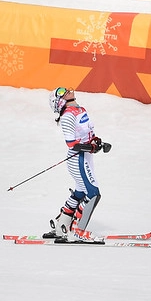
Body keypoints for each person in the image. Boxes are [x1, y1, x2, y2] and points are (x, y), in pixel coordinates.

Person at [45, 87, 110, 242]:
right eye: (60, 92)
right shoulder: (67, 116)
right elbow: (72, 144)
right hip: (78, 158)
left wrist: (96, 142)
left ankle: (61, 226)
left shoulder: (80, 109)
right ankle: (77, 231)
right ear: (59, 102)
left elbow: (87, 134)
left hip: (86, 157)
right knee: (93, 194)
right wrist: (92, 147)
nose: (66, 90)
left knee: (80, 192)